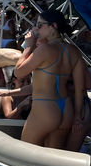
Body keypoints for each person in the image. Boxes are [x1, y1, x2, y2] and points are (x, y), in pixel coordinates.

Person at [14, 10, 78, 148]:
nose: (36, 29)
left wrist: (29, 46)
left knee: (26, 154)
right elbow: (81, 86)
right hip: (66, 108)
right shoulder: (73, 50)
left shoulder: (44, 50)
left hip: (45, 107)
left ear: (53, 26)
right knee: (52, 160)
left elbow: (18, 73)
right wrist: (78, 115)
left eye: (40, 25)